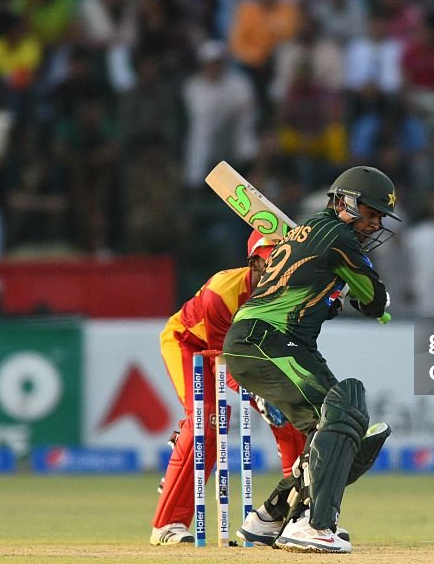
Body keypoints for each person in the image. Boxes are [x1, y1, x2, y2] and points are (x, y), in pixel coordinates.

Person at [224, 166, 397, 553]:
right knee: (341, 415)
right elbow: (372, 298)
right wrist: (376, 300)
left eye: (379, 218)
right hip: (263, 339)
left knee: (350, 423)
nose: (373, 225)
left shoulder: (313, 231)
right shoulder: (337, 235)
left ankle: (270, 517)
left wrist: (331, 296)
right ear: (344, 203)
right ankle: (313, 525)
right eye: (369, 214)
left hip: (282, 342)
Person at [149, 231, 308, 546]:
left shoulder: (287, 294)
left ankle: (298, 516)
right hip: (190, 344)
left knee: (290, 414)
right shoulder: (223, 292)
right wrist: (260, 397)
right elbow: (225, 364)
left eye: (283, 266)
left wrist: (275, 398)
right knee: (207, 421)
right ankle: (167, 525)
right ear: (253, 263)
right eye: (269, 265)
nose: (275, 274)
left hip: (241, 355)